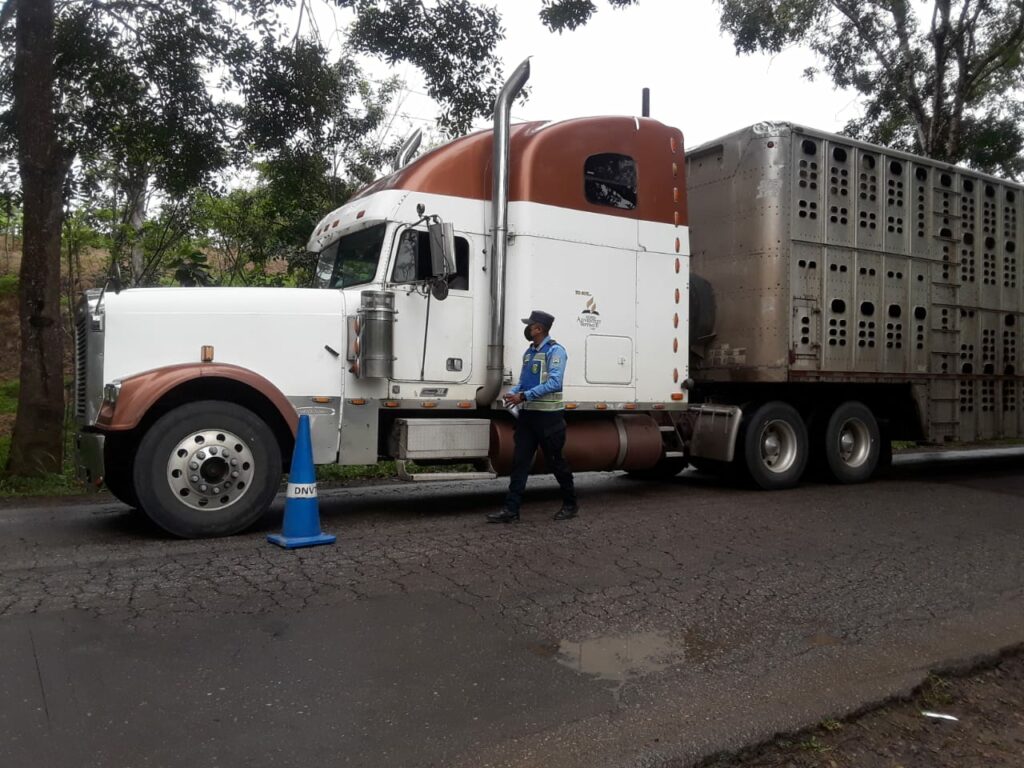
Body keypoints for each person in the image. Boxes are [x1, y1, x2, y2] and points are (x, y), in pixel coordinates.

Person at [487, 310, 578, 523]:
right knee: (519, 463)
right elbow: (523, 382)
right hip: (527, 417)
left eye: (530, 325)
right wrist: (513, 392)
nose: (527, 329)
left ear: (539, 329)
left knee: (556, 463)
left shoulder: (555, 351)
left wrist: (523, 396)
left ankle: (571, 504)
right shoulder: (529, 352)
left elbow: (555, 382)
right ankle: (511, 510)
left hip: (549, 419)